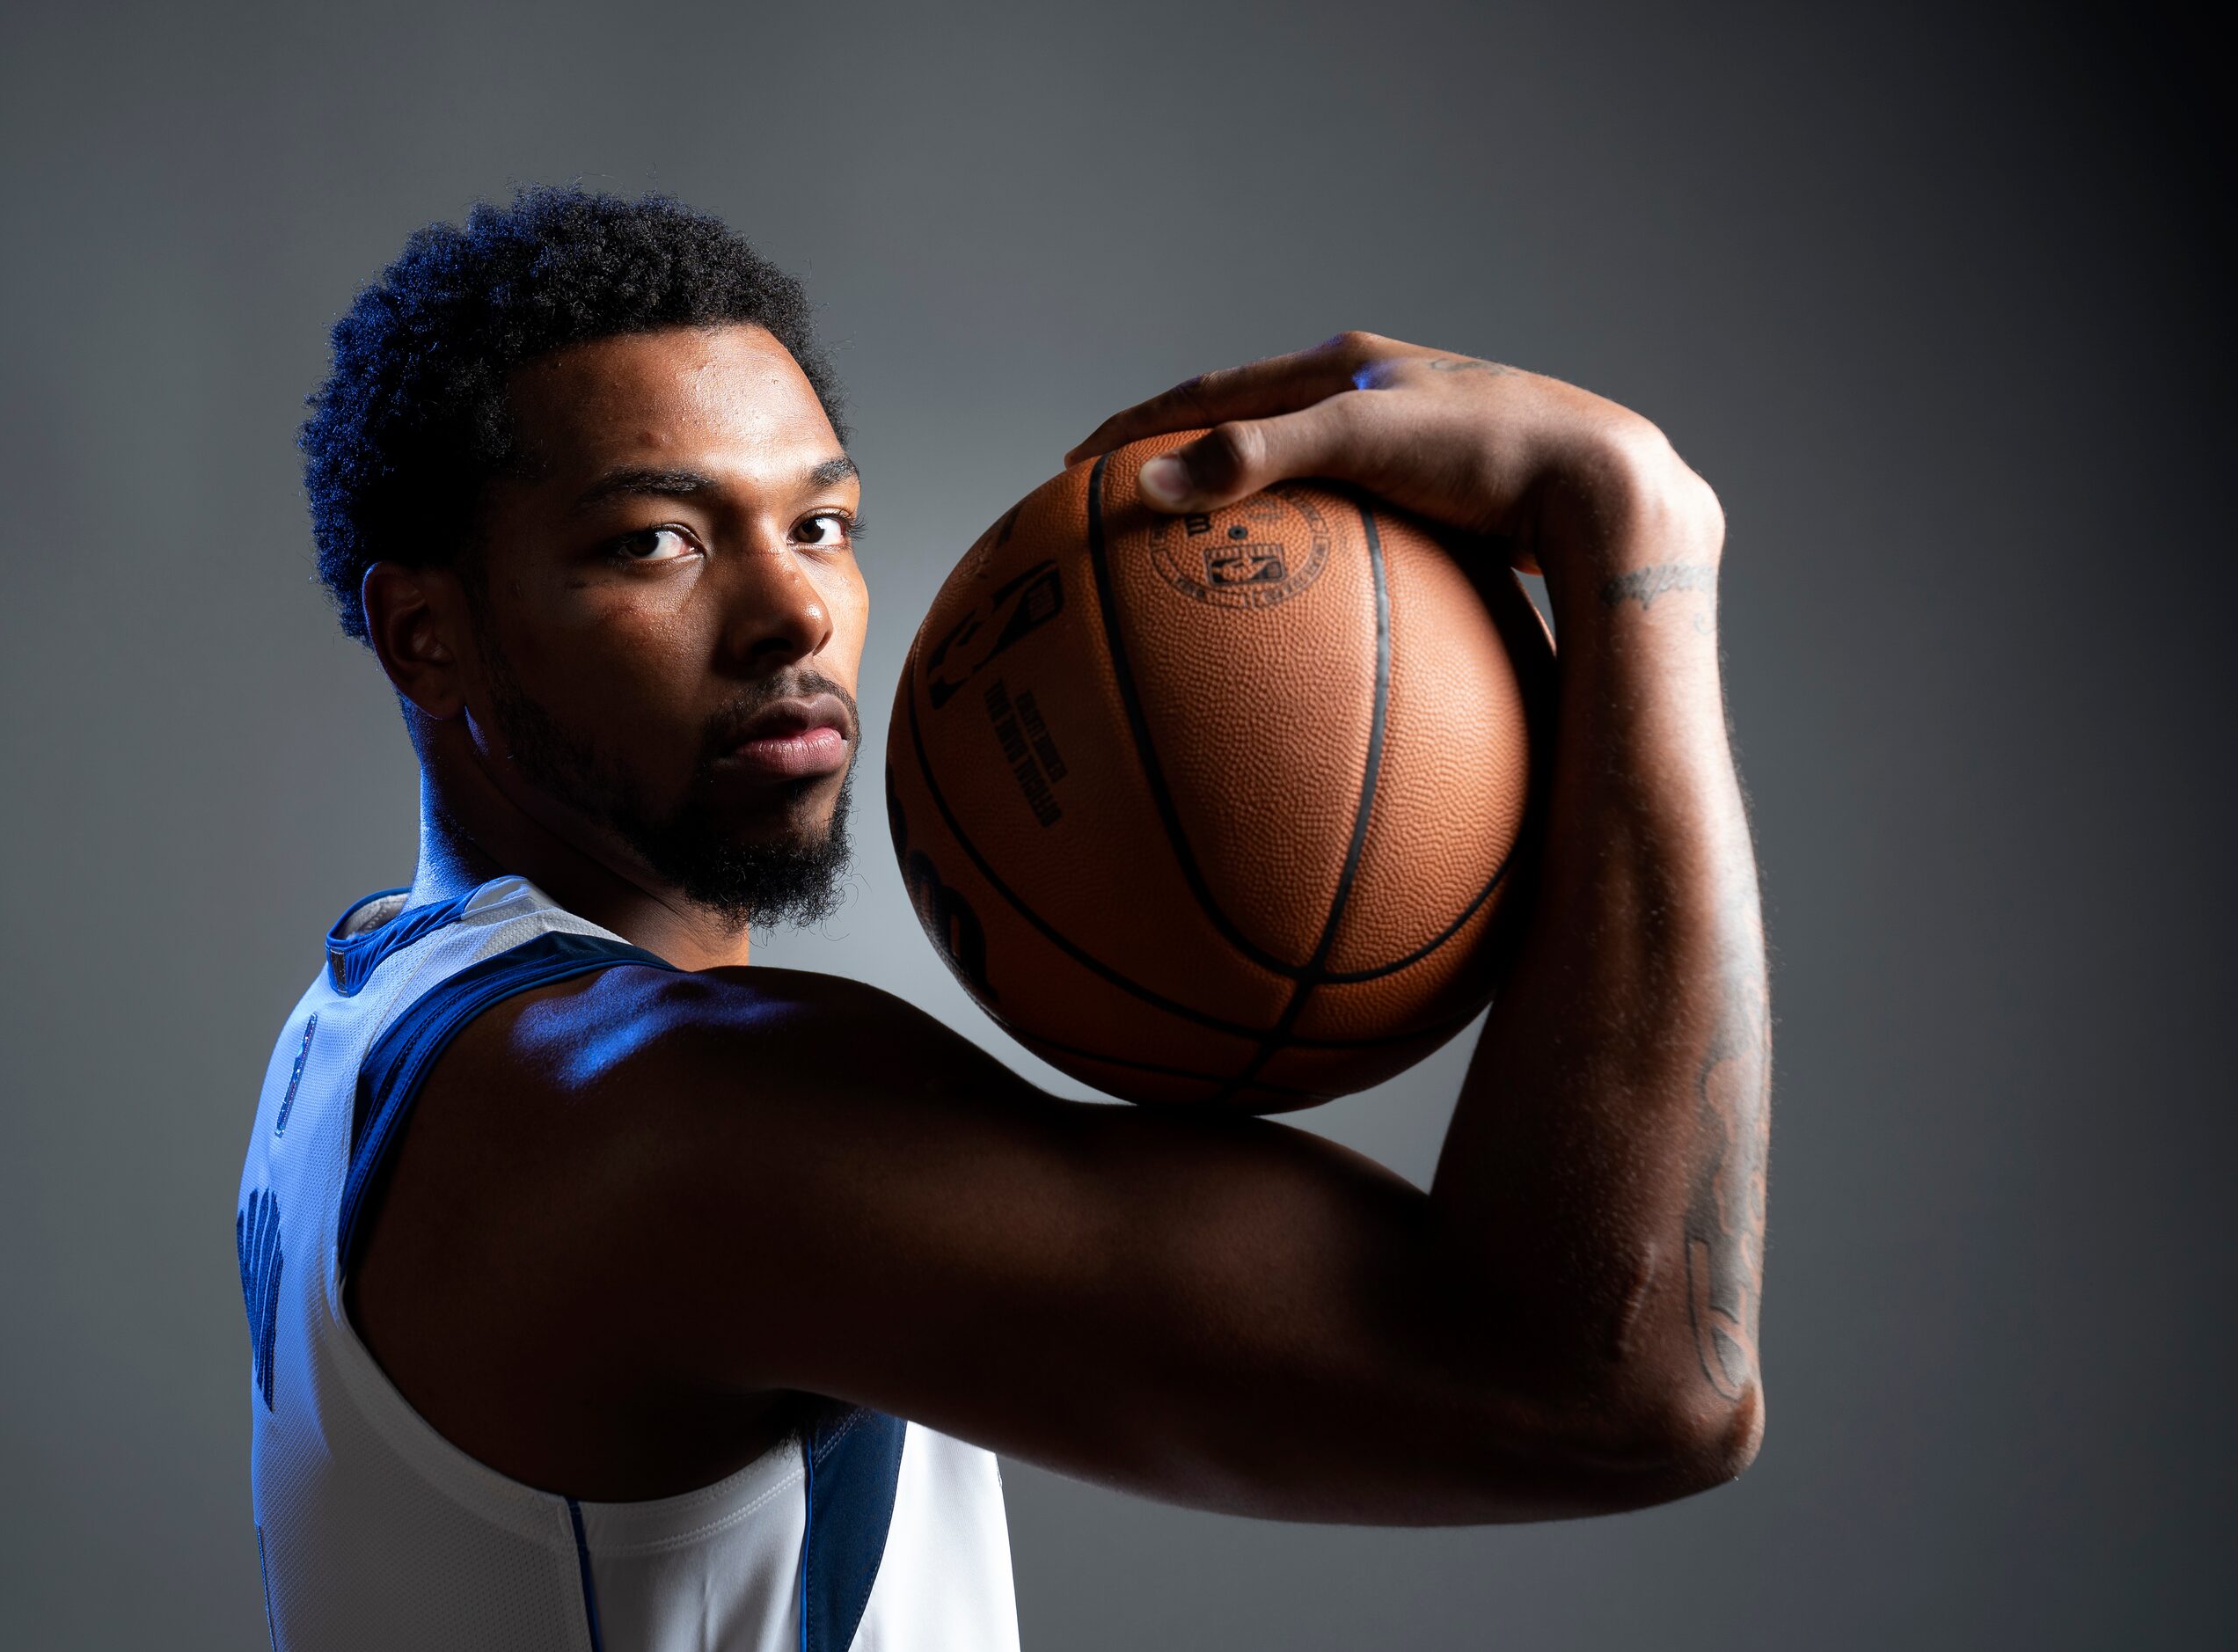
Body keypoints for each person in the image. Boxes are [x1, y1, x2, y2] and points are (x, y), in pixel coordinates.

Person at [234, 187, 1770, 1652]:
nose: (797, 613)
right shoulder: (652, 1117)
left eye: (820, 524)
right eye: (657, 541)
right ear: (424, 634)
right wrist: (1630, 533)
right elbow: (1622, 1387)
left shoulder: (362, 1019)